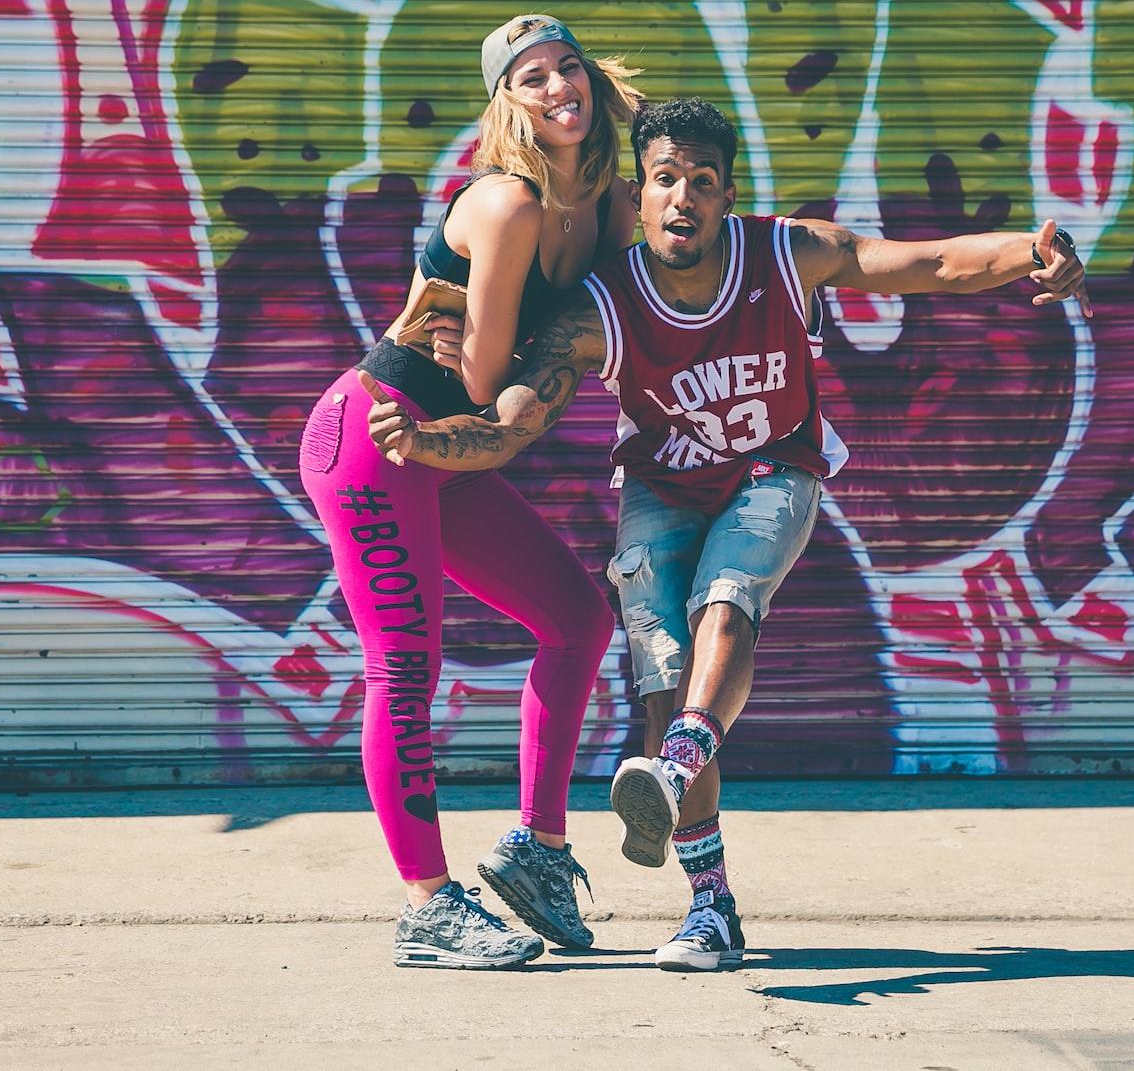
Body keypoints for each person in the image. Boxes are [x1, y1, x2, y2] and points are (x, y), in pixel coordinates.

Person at [361, 97, 1089, 971]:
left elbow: (927, 262)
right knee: (665, 682)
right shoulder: (603, 307)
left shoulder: (785, 251)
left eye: (703, 182)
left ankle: (675, 767)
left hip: (773, 469)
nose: (683, 198)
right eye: (666, 179)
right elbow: (517, 417)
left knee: (727, 601)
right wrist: (434, 441)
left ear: (727, 194)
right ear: (639, 197)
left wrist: (1030, 253)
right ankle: (712, 912)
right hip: (661, 487)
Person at [298, 15, 644, 969]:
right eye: (530, 77)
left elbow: (634, 305)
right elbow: (494, 383)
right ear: (507, 104)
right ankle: (425, 905)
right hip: (376, 438)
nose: (557, 86)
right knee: (404, 667)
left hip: (451, 457)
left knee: (579, 620)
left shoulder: (608, 205)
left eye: (567, 66)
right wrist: (553, 348)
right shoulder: (507, 206)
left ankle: (537, 847)